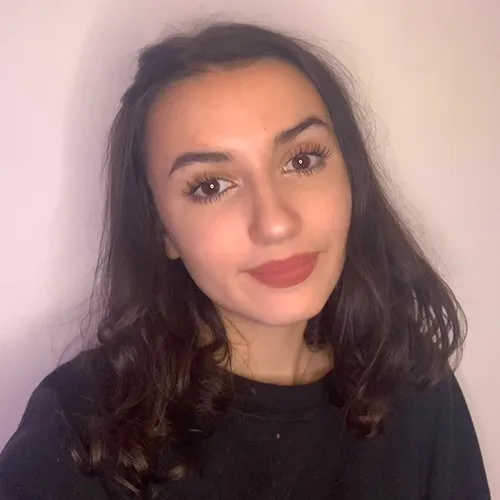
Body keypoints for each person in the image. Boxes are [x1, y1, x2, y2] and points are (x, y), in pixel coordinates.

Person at [0, 21, 491, 500]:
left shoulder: (415, 385)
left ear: (350, 176)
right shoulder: (82, 430)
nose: (275, 223)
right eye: (211, 185)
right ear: (162, 231)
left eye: (302, 160)